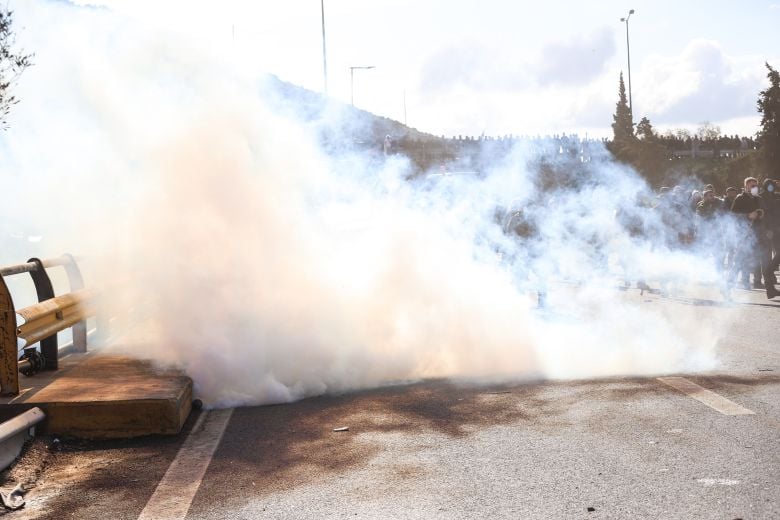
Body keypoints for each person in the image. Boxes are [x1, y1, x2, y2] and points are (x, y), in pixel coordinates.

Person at [731, 177, 779, 299]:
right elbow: (733, 216)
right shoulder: (740, 198)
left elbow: (766, 215)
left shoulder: (759, 199)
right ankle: (728, 286)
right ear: (746, 186)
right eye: (752, 186)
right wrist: (747, 215)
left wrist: (768, 229)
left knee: (766, 263)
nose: (754, 188)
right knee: (740, 262)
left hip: (761, 235)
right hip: (746, 236)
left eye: (756, 186)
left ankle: (770, 290)